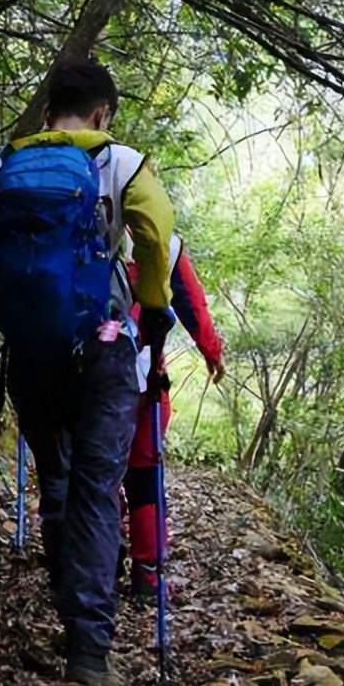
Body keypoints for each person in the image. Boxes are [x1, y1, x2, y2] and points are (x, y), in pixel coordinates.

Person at [0, 59, 175, 686]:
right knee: (97, 490)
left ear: (50, 109)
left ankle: (71, 619)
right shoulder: (122, 163)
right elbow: (157, 238)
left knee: (57, 484)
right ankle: (89, 650)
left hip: (29, 352)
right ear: (103, 113)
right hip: (104, 348)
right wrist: (154, 312)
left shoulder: (2, 170)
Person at [122, 233, 225, 603]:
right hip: (144, 377)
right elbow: (192, 304)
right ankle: (146, 574)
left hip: (84, 371)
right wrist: (212, 353)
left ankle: (102, 546)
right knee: (144, 473)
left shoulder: (75, 221)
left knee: (93, 467)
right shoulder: (164, 241)